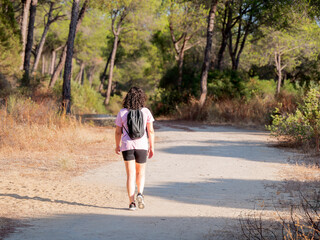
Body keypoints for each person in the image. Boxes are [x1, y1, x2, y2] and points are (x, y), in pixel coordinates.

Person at [115, 87, 155, 211]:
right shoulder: (146, 112)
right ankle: (140, 194)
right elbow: (151, 131)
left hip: (127, 146)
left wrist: (117, 145)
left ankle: (132, 203)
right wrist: (151, 147)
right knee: (140, 173)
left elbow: (118, 132)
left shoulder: (122, 112)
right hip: (142, 145)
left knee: (130, 174)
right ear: (142, 98)